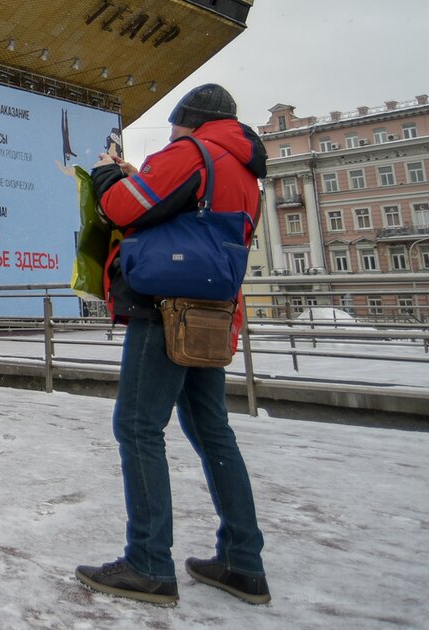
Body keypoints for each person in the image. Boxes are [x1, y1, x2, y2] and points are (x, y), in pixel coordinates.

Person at [73, 84, 271, 606]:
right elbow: (185, 214)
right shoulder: (246, 170)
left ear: (189, 121)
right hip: (212, 312)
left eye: (175, 125)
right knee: (212, 431)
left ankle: (148, 563)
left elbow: (120, 208)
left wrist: (108, 174)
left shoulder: (192, 153)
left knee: (138, 427)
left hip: (165, 309)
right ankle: (242, 561)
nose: (172, 133)